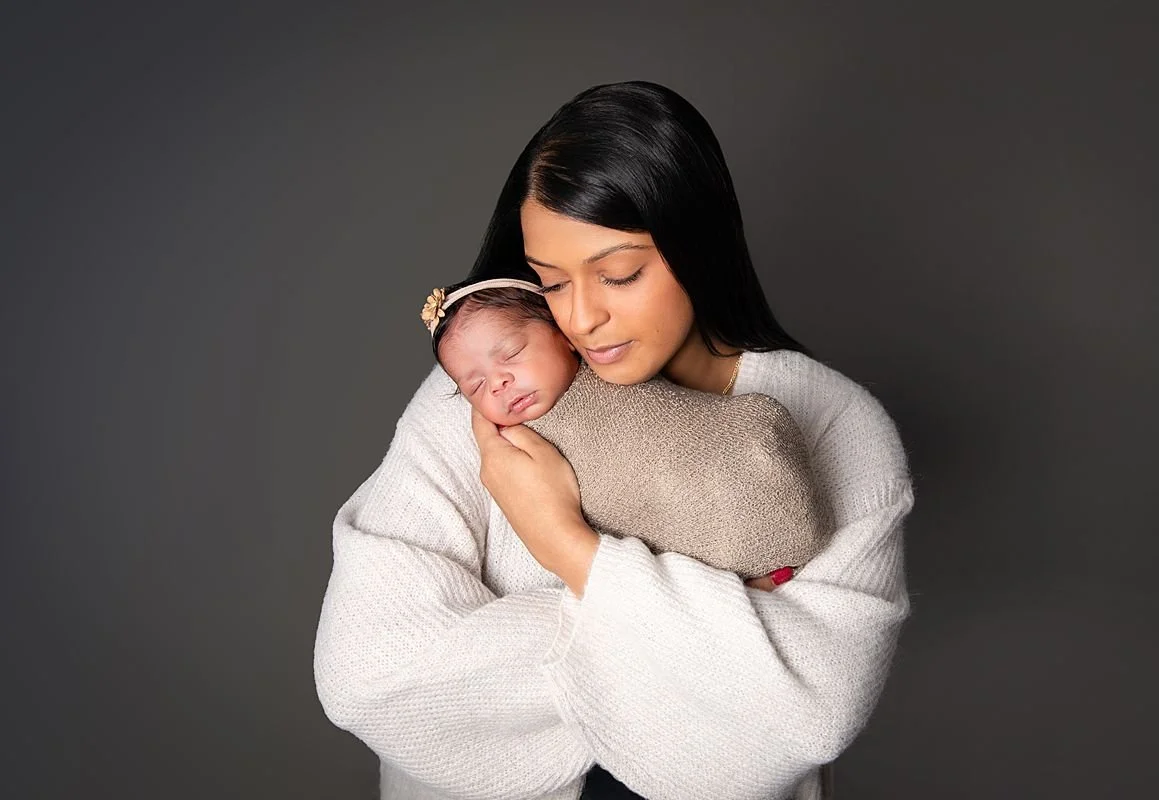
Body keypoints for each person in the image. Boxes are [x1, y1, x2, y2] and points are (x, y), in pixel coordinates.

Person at [314, 80, 913, 800]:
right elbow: (367, 676)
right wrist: (714, 636)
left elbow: (807, 721)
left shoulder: (837, 425)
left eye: (619, 275)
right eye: (550, 283)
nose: (581, 319)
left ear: (698, 246)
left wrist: (567, 547)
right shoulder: (489, 399)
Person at [424, 278, 830, 580]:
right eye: (474, 386)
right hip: (704, 550)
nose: (497, 383)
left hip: (742, 443)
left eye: (512, 353)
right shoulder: (508, 449)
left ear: (563, 334)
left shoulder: (611, 358)